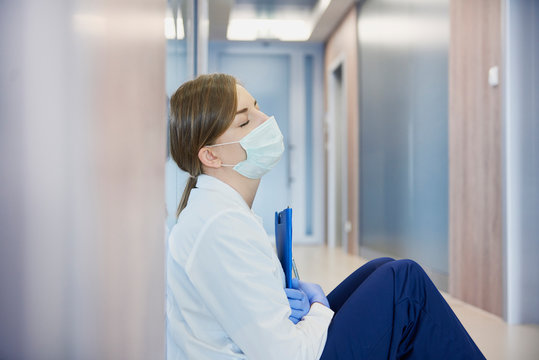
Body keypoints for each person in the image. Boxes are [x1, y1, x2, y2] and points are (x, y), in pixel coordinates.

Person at [166, 73, 485, 360]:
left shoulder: (218, 212)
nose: (266, 120)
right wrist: (318, 308)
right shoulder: (220, 225)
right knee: (404, 283)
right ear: (211, 155)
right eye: (245, 122)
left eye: (257, 107)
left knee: (381, 267)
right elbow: (290, 354)